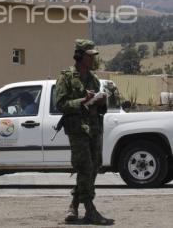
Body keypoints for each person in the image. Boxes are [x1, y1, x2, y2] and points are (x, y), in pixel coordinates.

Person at [55, 39, 113, 225]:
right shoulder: (66, 77)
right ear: (80, 56)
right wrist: (82, 100)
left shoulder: (94, 79)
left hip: (94, 129)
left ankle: (73, 204)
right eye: (90, 55)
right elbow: (61, 104)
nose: (93, 59)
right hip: (77, 129)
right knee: (85, 167)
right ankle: (90, 210)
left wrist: (102, 103)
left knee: (94, 166)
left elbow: (99, 109)